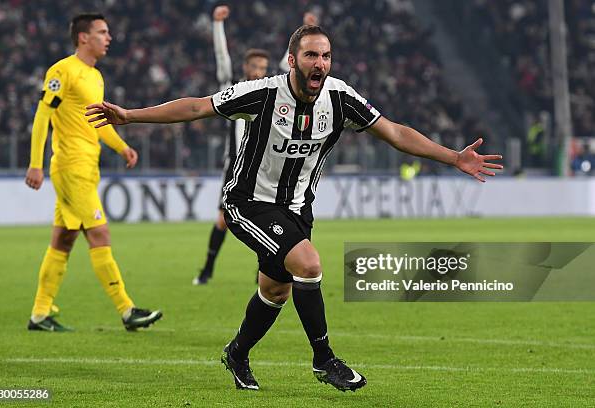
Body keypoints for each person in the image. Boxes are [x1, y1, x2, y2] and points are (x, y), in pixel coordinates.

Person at [86, 24, 502, 391]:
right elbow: (197, 106)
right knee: (308, 264)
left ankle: (237, 352)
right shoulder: (264, 93)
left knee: (275, 290)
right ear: (292, 60)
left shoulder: (339, 98)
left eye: (326, 56)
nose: (320, 63)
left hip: (297, 209)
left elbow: (393, 132)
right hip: (248, 202)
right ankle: (324, 360)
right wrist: (131, 116)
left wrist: (453, 157)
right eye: (311, 55)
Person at [25, 13, 162, 332]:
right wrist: (35, 163)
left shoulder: (95, 76)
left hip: (87, 167)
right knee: (99, 234)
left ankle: (39, 314)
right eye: (102, 32)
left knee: (63, 240)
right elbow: (42, 115)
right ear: (83, 38)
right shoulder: (63, 70)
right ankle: (128, 311)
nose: (109, 37)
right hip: (70, 166)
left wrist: (122, 147)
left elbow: (96, 123)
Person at [193, 6, 318, 285]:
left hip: (267, 165)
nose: (259, 72)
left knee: (272, 218)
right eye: (255, 67)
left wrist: (304, 28)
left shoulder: (274, 91)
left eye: (263, 68)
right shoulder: (234, 89)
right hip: (235, 164)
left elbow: (294, 65)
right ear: (246, 68)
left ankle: (268, 269)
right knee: (223, 220)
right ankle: (207, 269)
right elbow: (221, 59)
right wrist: (217, 25)